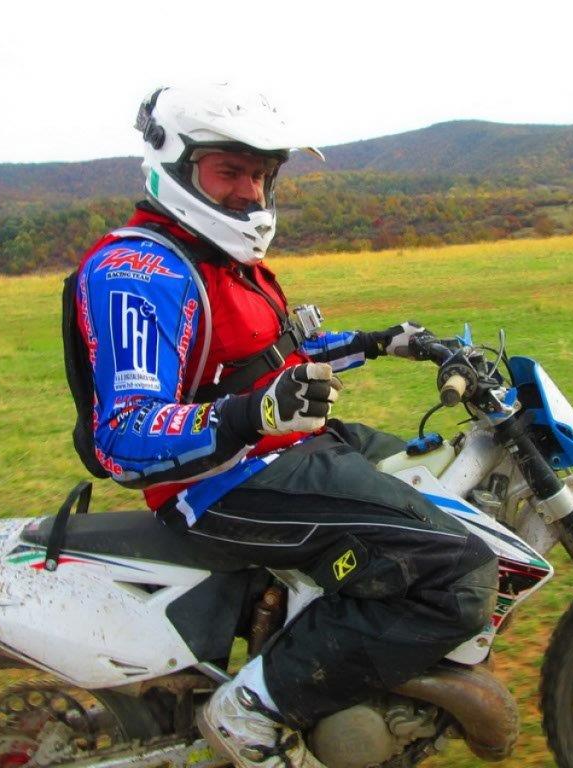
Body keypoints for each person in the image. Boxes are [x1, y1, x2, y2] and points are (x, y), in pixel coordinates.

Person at [72, 84, 498, 768]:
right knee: (458, 573)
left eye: (261, 174)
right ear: (176, 166)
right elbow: (124, 433)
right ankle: (251, 711)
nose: (249, 191)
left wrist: (385, 342)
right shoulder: (142, 272)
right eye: (229, 171)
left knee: (446, 486)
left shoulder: (222, 261)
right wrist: (254, 414)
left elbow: (275, 360)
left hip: (286, 451)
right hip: (219, 485)